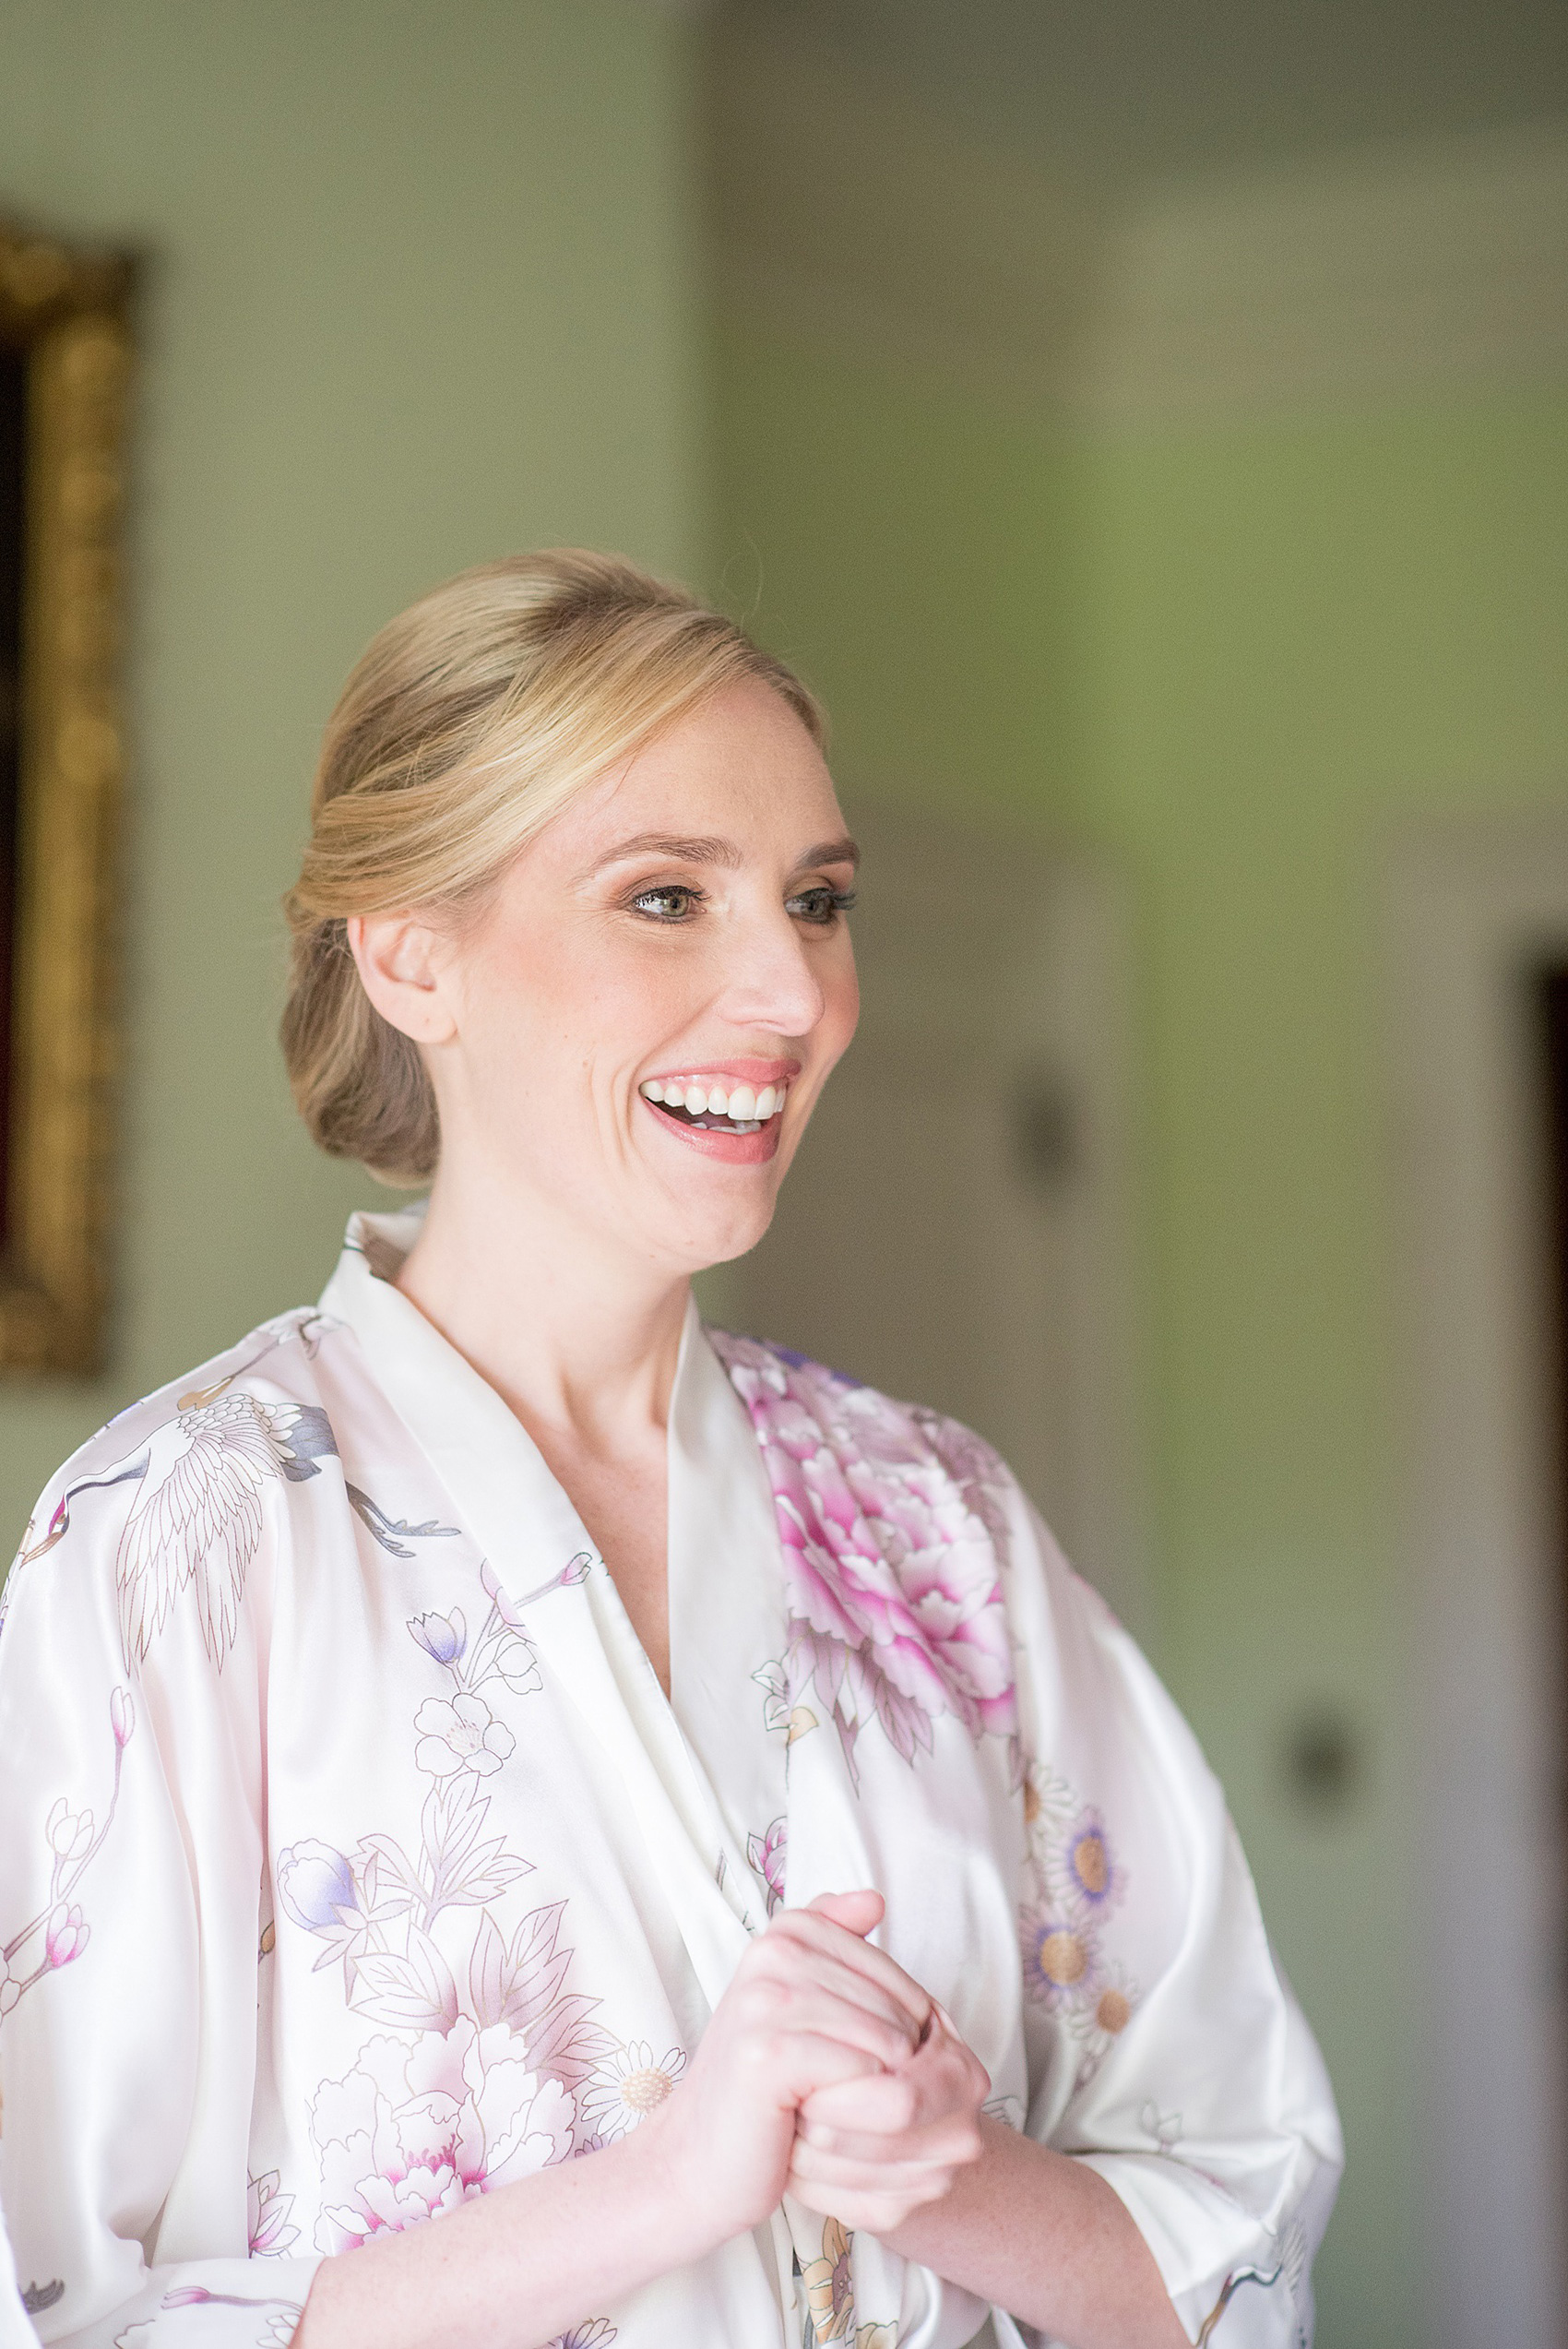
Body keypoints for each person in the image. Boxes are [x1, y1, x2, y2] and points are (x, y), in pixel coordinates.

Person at [0, 554, 1340, 2349]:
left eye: (816, 897)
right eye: (662, 896)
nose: (791, 994)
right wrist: (664, 2185)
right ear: (409, 948)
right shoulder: (179, 1556)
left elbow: (1242, 2220)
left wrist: (956, 2174)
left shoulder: (934, 1525)